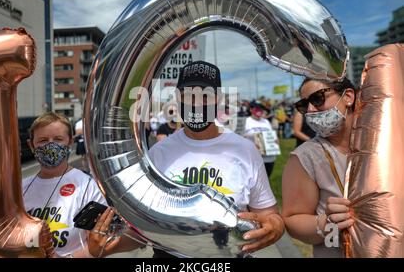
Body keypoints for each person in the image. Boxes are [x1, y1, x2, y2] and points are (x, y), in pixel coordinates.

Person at [149, 60, 284, 257]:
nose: (195, 104)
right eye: (188, 95)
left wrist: (275, 227)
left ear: (218, 99)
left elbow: (269, 215)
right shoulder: (159, 152)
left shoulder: (245, 150)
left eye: (205, 96)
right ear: (177, 98)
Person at [23, 112, 140, 257]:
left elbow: (103, 242)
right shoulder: (21, 189)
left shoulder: (88, 187)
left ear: (70, 142)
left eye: (58, 139)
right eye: (43, 140)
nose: (50, 145)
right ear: (31, 144)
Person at [281, 77, 356, 258]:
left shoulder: (386, 141)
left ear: (348, 97)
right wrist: (327, 224)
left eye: (317, 99)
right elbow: (292, 220)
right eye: (304, 105)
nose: (310, 110)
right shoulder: (305, 157)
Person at [244, 105, 279, 178]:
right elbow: (241, 136)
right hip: (253, 158)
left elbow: (271, 135)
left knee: (266, 180)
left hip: (269, 158)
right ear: (251, 109)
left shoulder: (266, 121)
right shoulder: (246, 121)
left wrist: (275, 140)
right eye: (257, 108)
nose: (259, 111)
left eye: (261, 109)